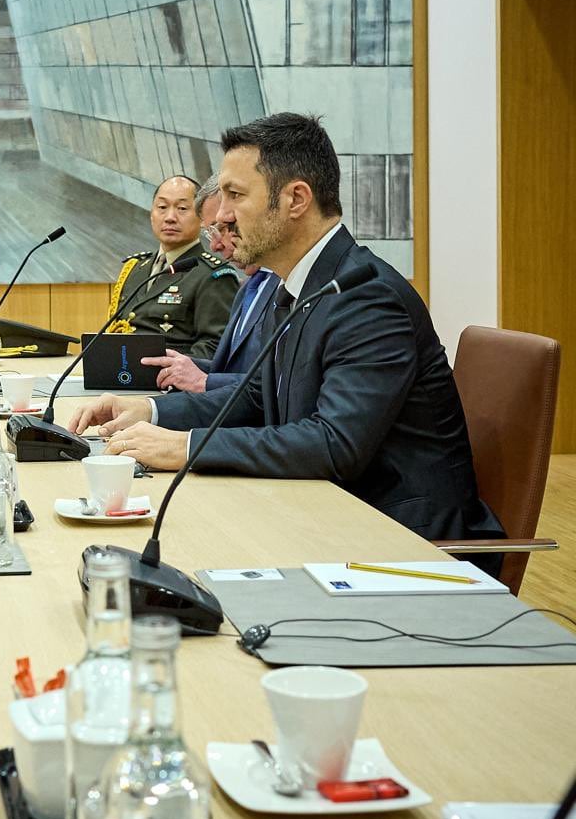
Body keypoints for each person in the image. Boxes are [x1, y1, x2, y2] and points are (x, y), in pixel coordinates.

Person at [67, 113, 500, 544]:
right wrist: (153, 412)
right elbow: (259, 397)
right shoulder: (295, 284)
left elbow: (334, 443)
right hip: (324, 513)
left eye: (236, 195)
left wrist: (184, 447)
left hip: (399, 540)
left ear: (296, 199)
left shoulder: (366, 296)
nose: (224, 216)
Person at [143, 176, 280, 393]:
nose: (215, 246)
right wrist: (180, 369)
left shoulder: (287, 286)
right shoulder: (250, 287)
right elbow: (228, 370)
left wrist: (157, 411)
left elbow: (274, 388)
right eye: (211, 233)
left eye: (223, 228)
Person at [103, 174, 240, 358]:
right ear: (151, 214)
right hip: (124, 375)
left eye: (182, 208)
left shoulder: (213, 274)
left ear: (201, 218)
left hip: (170, 383)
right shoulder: (134, 268)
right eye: (162, 207)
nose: (170, 217)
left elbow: (215, 345)